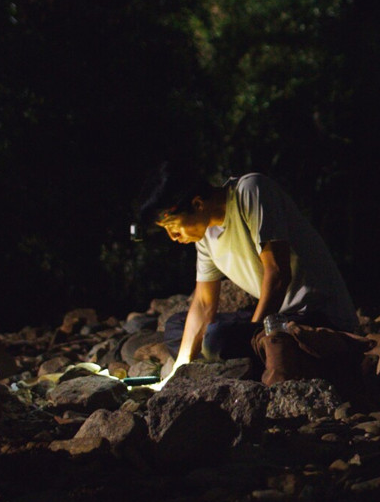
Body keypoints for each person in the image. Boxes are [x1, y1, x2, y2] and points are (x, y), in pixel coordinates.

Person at [136, 161, 360, 384]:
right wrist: (179, 369)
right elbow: (203, 304)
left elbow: (278, 274)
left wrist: (252, 335)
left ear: (197, 204)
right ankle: (235, 361)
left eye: (173, 227)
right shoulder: (205, 238)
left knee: (216, 338)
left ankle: (246, 360)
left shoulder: (250, 191)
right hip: (275, 319)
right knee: (177, 326)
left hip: (313, 315)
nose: (173, 237)